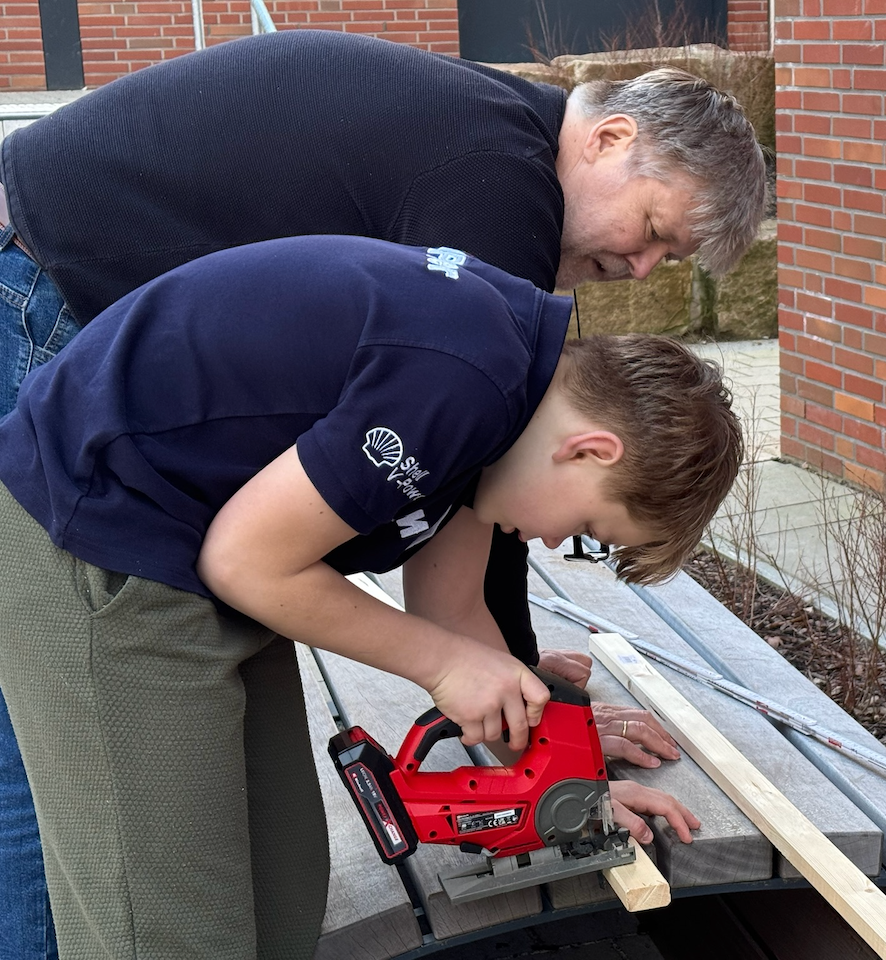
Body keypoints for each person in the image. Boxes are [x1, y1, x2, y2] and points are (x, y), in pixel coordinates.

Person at [0, 28, 769, 957]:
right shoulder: (479, 316)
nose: (553, 547)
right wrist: (449, 669)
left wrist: (568, 781)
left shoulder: (503, 389)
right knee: (160, 914)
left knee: (283, 889)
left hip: (185, 527)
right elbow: (264, 565)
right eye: (587, 528)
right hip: (95, 505)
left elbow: (455, 602)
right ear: (590, 450)